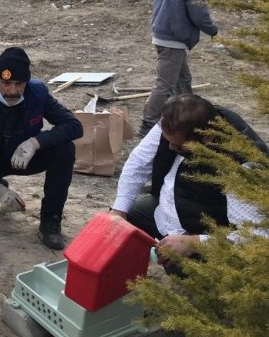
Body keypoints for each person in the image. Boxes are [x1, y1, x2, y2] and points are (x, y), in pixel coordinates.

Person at [112, 94, 267, 272]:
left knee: (178, 267)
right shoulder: (174, 124)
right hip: (171, 211)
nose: (171, 148)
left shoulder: (241, 166)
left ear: (207, 137)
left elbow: (257, 236)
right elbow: (138, 163)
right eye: (167, 141)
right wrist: (119, 211)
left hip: (212, 232)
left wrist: (194, 243)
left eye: (179, 146)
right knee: (126, 222)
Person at [0, 47, 83, 249]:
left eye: (18, 84)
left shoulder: (38, 93)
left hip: (25, 157)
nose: (12, 91)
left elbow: (74, 126)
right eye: (5, 83)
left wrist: (35, 142)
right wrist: (0, 190)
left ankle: (50, 220)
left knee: (65, 150)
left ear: (26, 83)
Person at [140, 0, 222, 136]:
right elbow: (199, 13)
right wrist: (213, 30)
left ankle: (191, 115)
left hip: (164, 33)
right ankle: (147, 124)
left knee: (183, 79)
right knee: (165, 83)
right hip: (173, 38)